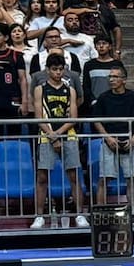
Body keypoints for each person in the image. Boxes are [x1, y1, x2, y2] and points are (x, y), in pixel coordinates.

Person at [33, 53, 89, 230]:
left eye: (60, 69)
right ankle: (39, 216)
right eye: (54, 69)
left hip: (68, 134)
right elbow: (38, 116)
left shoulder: (70, 90)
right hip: (45, 135)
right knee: (42, 177)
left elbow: (73, 118)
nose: (58, 72)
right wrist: (51, 134)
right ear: (48, 70)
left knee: (74, 175)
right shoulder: (40, 89)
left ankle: (80, 214)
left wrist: (58, 133)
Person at [91, 62, 134, 208]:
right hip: (109, 142)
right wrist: (107, 138)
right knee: (103, 178)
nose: (111, 80)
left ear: (124, 80)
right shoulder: (103, 98)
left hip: (130, 141)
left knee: (131, 179)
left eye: (115, 77)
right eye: (110, 77)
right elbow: (97, 121)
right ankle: (101, 211)